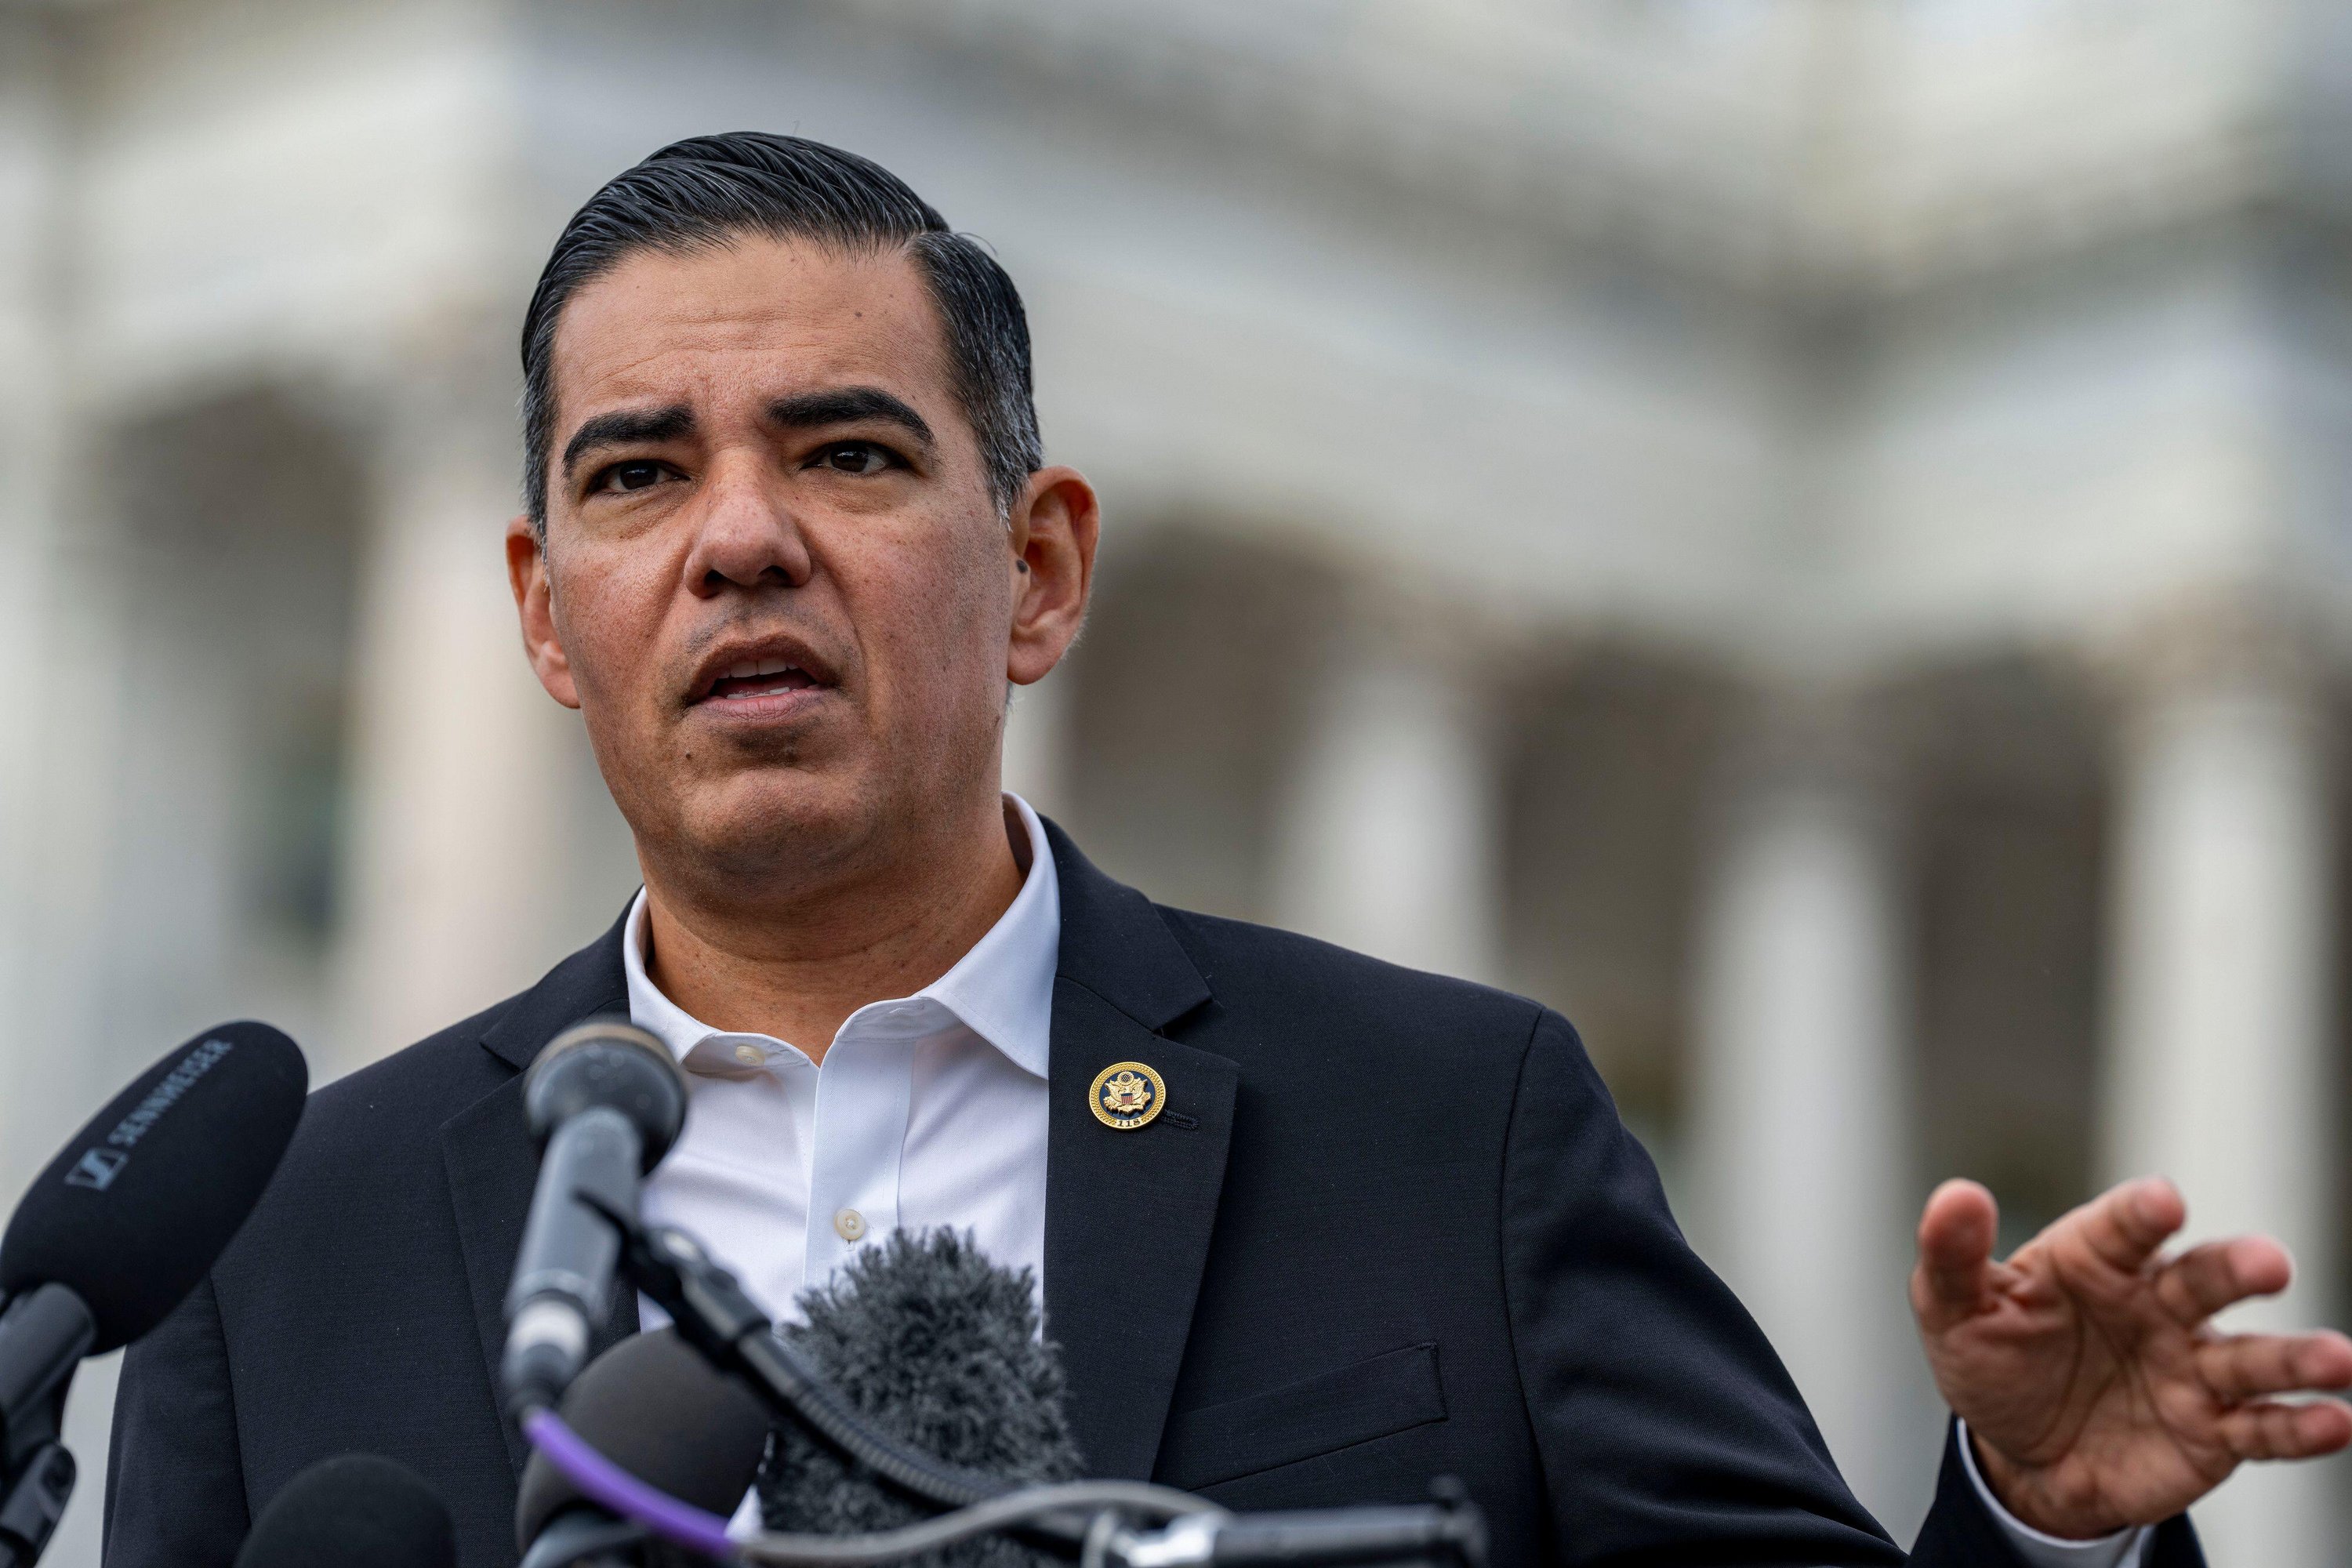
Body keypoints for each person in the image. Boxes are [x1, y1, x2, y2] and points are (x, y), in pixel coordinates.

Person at [107, 133, 2352, 1568]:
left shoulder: (1445, 1131)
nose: (741, 539)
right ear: (543, 618)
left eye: (850, 453)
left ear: (1041, 569)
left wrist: (2033, 1522)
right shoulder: (286, 1250)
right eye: (637, 476)